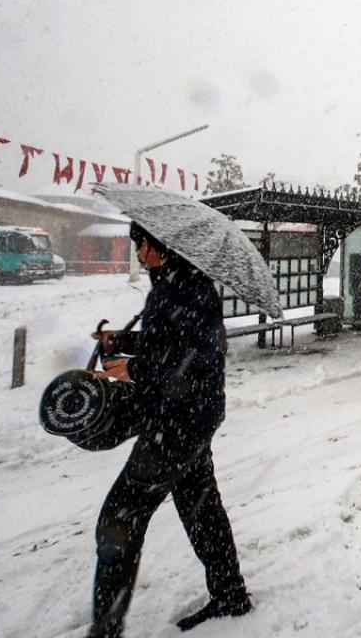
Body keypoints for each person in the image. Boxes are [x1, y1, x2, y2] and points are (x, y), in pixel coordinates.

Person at [86, 223, 252, 637]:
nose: (139, 254)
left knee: (118, 518)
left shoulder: (190, 291)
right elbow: (167, 343)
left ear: (163, 244)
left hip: (178, 423)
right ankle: (230, 595)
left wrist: (134, 369)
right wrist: (121, 342)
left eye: (142, 244)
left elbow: (196, 359)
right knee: (201, 510)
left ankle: (105, 631)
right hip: (185, 419)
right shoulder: (173, 286)